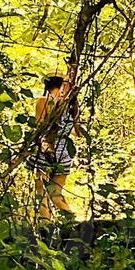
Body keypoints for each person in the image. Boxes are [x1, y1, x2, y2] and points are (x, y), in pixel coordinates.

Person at [29, 74, 83, 219]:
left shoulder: (43, 101)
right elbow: (78, 133)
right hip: (64, 152)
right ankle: (73, 223)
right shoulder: (70, 106)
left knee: (41, 194)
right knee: (56, 195)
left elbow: (39, 128)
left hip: (45, 151)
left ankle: (45, 226)